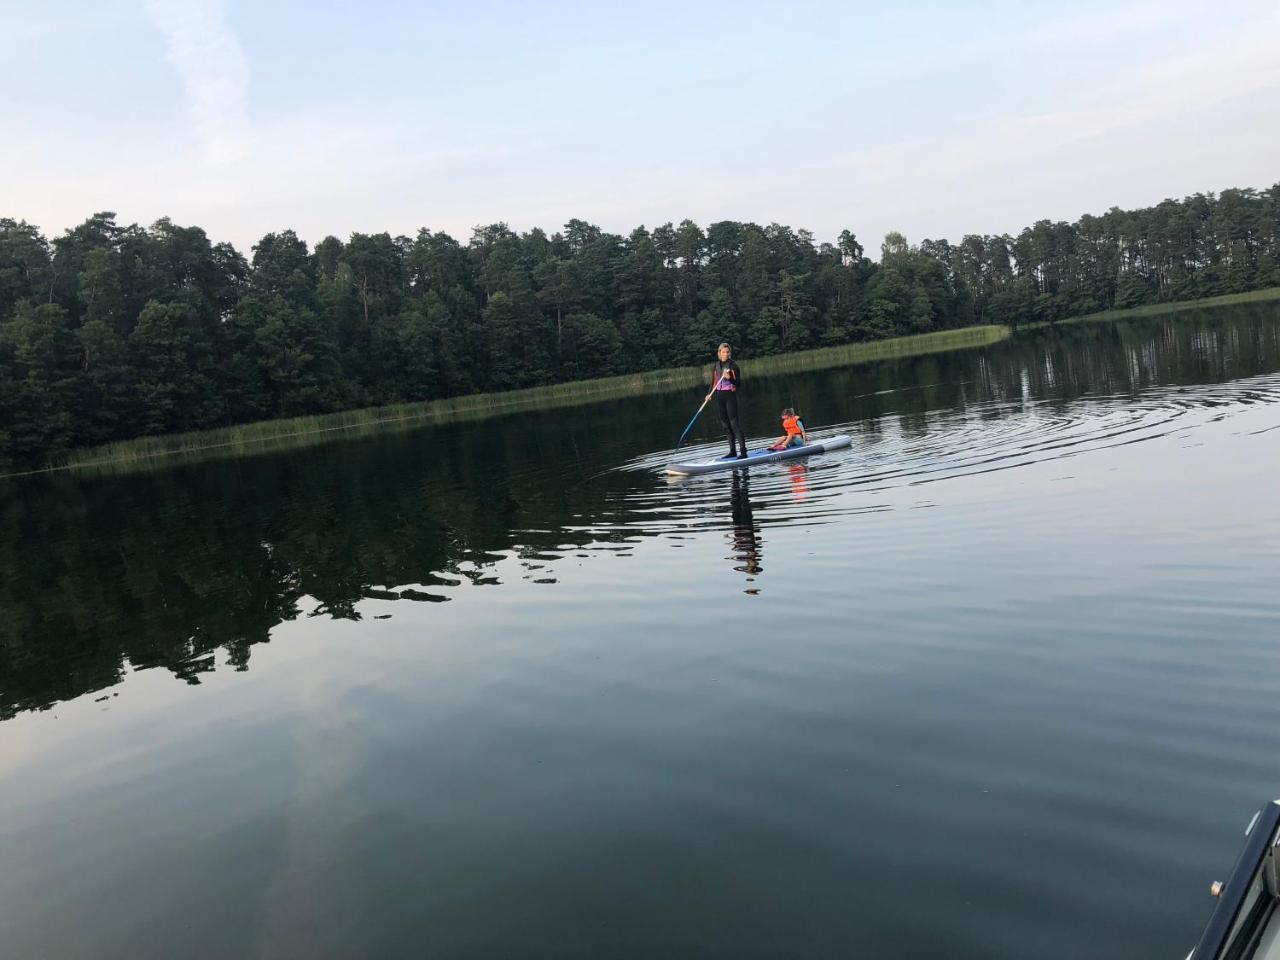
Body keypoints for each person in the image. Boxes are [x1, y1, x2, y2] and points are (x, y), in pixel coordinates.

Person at [707, 342, 746, 459]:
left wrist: (730, 379)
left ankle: (743, 452)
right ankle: (732, 451)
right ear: (719, 353)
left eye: (728, 352)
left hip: (730, 396)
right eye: (723, 352)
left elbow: (738, 383)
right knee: (725, 425)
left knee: (734, 424)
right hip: (719, 396)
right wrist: (709, 394)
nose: (726, 354)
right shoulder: (716, 366)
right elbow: (713, 382)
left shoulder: (733, 366)